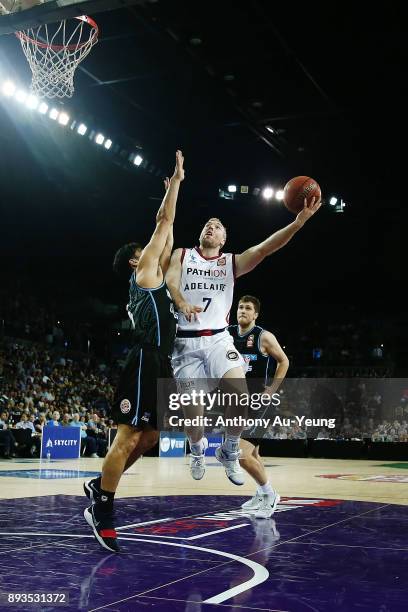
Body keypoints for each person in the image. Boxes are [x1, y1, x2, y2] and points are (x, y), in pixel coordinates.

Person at [165, 196, 320, 483]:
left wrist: (297, 223)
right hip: (185, 344)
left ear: (224, 239)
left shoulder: (230, 263)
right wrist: (180, 301)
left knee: (240, 395)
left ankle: (230, 447)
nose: (211, 227)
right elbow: (172, 280)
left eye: (218, 226)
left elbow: (265, 248)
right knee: (193, 419)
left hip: (217, 340)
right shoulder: (183, 254)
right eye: (208, 225)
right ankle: (197, 450)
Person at [83, 150, 183, 553]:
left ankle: (98, 484)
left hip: (162, 362)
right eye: (146, 248)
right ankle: (103, 510)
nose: (154, 249)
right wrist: (175, 182)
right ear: (133, 260)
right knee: (126, 438)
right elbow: (164, 223)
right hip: (144, 359)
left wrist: (171, 198)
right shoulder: (143, 274)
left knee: (152, 436)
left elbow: (170, 230)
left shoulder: (153, 272)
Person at [228, 295, 289, 518]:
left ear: (255, 314)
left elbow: (284, 361)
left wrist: (272, 389)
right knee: (253, 453)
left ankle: (270, 494)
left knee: (241, 454)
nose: (243, 310)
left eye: (248, 308)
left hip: (258, 402)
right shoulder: (227, 334)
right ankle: (261, 493)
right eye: (240, 307)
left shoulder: (264, 337)